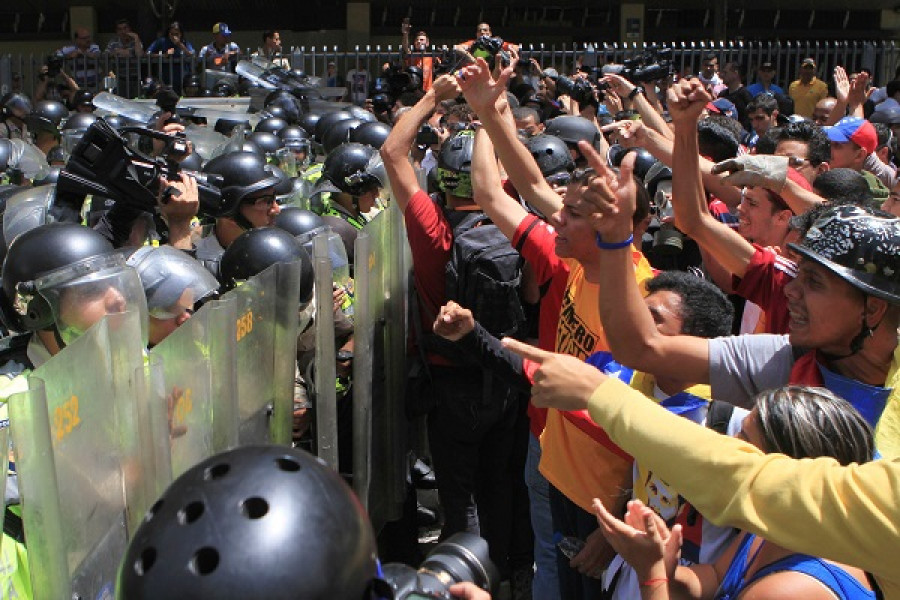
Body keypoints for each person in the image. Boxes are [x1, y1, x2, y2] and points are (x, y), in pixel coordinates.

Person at [498, 337, 900, 598]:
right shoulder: (772, 529)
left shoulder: (792, 589)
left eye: (744, 445)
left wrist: (651, 576)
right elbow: (706, 582)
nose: (728, 448)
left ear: (789, 470)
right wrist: (663, 564)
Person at [0, 222, 148, 597]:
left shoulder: (120, 364)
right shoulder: (15, 403)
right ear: (40, 312)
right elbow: (106, 492)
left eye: (115, 282)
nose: (118, 299)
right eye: (92, 291)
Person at [195, 151, 282, 276]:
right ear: (229, 210)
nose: (276, 210)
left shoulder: (282, 243)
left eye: (274, 198)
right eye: (265, 201)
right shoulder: (201, 266)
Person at [126, 245, 220, 347]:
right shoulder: (123, 358)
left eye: (188, 309)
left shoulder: (199, 348)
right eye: (168, 310)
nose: (185, 319)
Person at [146, 22, 194, 94]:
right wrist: (163, 55)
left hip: (181, 78)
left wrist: (180, 45)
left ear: (180, 34)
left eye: (176, 34)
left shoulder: (184, 43)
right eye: (171, 34)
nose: (174, 37)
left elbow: (192, 54)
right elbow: (147, 53)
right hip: (165, 77)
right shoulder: (162, 41)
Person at [401, 21, 438, 92]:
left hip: (428, 90)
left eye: (421, 40)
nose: (418, 41)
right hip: (414, 91)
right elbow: (405, 48)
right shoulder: (412, 56)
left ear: (427, 43)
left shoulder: (432, 57)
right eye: (417, 40)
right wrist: (405, 34)